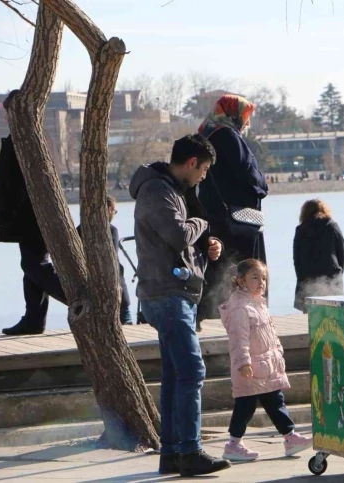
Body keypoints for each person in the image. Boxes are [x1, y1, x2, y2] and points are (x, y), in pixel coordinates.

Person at [130, 134, 230, 477]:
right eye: (203, 170)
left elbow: (178, 242)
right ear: (191, 163)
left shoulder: (170, 190)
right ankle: (190, 450)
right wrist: (204, 223)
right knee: (192, 371)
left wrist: (207, 247)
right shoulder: (157, 190)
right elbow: (177, 234)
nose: (203, 176)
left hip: (174, 291)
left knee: (175, 375)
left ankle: (172, 453)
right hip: (167, 294)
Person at [219, 259, 313, 461]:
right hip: (251, 367)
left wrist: (277, 352)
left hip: (266, 365)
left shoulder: (257, 303)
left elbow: (269, 332)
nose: (262, 282)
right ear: (241, 281)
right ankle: (233, 444)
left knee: (275, 401)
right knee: (245, 406)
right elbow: (238, 339)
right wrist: (244, 363)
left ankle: (290, 437)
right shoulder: (240, 308)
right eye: (255, 277)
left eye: (264, 278)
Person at [0, 90, 67, 336]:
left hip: (33, 216)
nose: (5, 117)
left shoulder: (29, 139)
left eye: (7, 112)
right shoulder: (30, 137)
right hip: (29, 215)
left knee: (34, 264)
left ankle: (77, 300)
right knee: (32, 265)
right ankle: (34, 318)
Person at [196, 94, 269, 328]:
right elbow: (247, 173)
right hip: (236, 222)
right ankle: (242, 319)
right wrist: (262, 182)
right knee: (243, 269)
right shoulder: (227, 135)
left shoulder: (207, 133)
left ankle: (220, 316)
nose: (247, 122)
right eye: (246, 116)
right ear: (234, 113)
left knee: (220, 271)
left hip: (216, 216)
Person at [76, 195, 133, 324]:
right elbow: (112, 256)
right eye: (114, 210)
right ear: (107, 209)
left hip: (92, 291)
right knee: (126, 323)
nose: (114, 214)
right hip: (116, 289)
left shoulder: (80, 229)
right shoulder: (111, 230)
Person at [293, 199, 344, 313]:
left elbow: (297, 257)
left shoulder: (301, 229)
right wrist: (340, 272)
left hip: (308, 275)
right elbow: (341, 252)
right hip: (331, 273)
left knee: (311, 313)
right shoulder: (332, 226)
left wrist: (301, 276)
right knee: (333, 310)